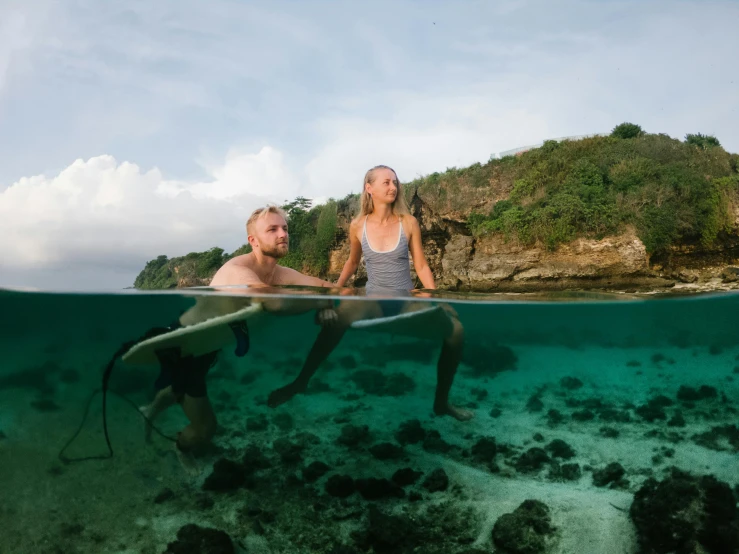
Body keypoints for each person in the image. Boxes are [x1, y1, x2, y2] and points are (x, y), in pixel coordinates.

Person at [139, 205, 339, 474]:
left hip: (210, 345)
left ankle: (150, 409)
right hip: (186, 348)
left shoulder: (279, 273)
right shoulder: (238, 270)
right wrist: (319, 303)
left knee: (178, 389)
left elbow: (327, 287)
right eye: (272, 229)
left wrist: (326, 303)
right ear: (253, 241)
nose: (283, 234)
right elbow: (273, 303)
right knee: (206, 428)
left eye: (285, 228)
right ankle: (181, 446)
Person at [267, 165, 474, 422]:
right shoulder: (358, 225)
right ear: (369, 187)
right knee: (338, 316)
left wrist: (433, 296)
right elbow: (352, 262)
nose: (393, 187)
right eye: (386, 182)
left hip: (405, 300)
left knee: (456, 331)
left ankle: (441, 403)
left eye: (395, 182)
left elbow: (420, 265)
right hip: (373, 301)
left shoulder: (408, 223)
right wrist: (335, 292)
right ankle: (300, 381)